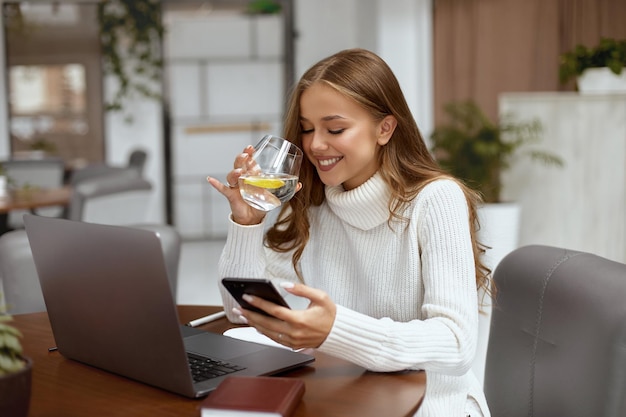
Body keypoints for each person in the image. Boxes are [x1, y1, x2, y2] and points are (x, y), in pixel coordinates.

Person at [207, 48, 492, 417]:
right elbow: (241, 312)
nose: (314, 145)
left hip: (431, 404)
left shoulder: (435, 199)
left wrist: (335, 330)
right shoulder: (312, 202)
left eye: (335, 129)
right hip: (349, 399)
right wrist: (247, 222)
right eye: (307, 129)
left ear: (385, 128)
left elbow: (456, 344)